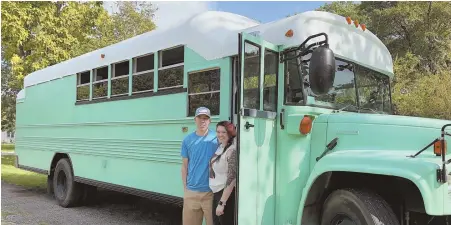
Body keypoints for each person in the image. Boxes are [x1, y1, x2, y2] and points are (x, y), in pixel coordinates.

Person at [181, 107, 218, 225]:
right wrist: (186, 189)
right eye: (200, 118)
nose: (202, 121)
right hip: (191, 192)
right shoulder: (187, 140)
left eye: (205, 118)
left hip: (210, 193)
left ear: (210, 121)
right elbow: (184, 166)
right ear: (195, 120)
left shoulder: (217, 138)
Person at [209, 121, 237, 225]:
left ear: (230, 133)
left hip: (225, 195)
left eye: (224, 132)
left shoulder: (231, 150)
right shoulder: (220, 147)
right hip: (216, 192)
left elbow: (232, 178)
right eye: (218, 132)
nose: (220, 135)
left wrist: (222, 203)